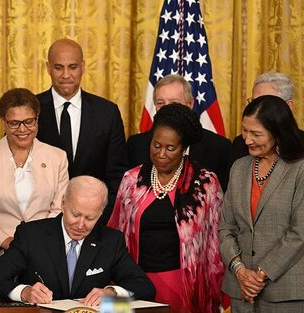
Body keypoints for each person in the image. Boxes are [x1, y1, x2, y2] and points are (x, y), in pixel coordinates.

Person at [109, 103, 224, 313]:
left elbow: (215, 244)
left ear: (183, 148)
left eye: (170, 148)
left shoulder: (205, 183)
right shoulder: (131, 180)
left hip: (181, 284)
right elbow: (114, 233)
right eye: (156, 145)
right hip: (132, 282)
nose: (161, 154)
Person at [0, 176, 155, 306]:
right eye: (75, 214)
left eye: (90, 218)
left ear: (101, 214)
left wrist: (111, 293)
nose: (80, 224)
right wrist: (25, 292)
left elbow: (145, 287)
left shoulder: (111, 240)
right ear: (63, 203)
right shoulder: (31, 235)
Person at [219, 95, 304, 312]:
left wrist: (259, 275)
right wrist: (239, 270)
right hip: (241, 292)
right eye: (245, 131)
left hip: (285, 294)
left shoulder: (299, 169)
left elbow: (300, 232)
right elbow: (226, 227)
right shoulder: (239, 167)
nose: (247, 140)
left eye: (256, 134)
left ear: (278, 133)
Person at [36, 38, 129, 225]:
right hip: (42, 221)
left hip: (94, 221)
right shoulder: (31, 109)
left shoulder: (107, 112)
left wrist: (98, 218)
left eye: (72, 67)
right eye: (58, 67)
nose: (65, 74)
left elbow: (117, 175)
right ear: (47, 68)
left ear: (83, 67)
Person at [0, 88, 69, 264]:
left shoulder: (57, 157)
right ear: (3, 121)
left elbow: (59, 208)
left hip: (45, 253)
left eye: (29, 122)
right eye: (14, 123)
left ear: (37, 118)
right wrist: (5, 241)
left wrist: (37, 242)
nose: (22, 129)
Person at [127, 74, 231, 191]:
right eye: (160, 103)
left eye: (173, 103)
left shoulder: (219, 148)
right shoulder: (136, 145)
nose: (167, 108)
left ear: (190, 103)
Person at [230, 72, 304, 163]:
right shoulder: (240, 144)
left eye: (267, 104)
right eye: (254, 102)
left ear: (288, 107)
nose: (258, 108)